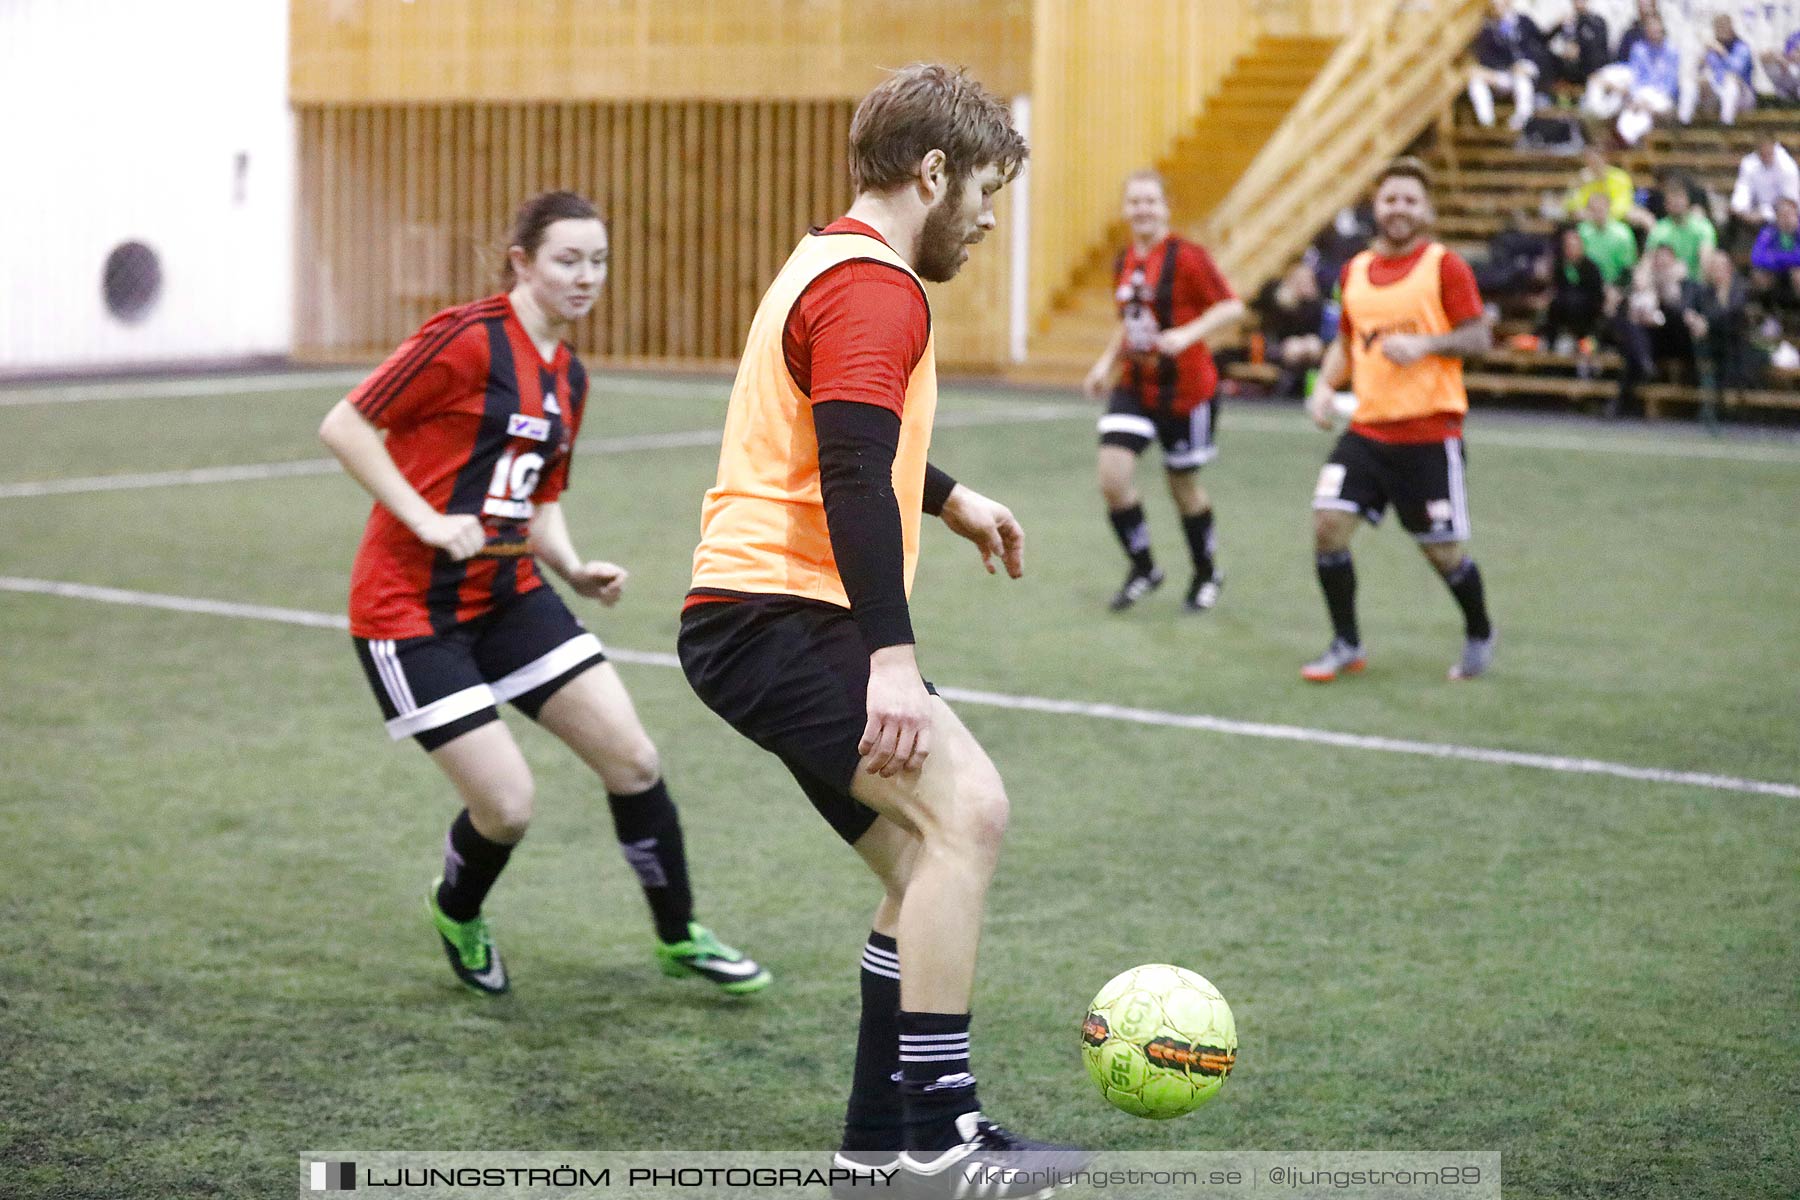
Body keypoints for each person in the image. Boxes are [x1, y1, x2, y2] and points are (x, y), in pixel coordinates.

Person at [676, 64, 1089, 1195]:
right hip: (782, 615)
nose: (993, 221)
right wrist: (892, 664)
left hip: (757, 616)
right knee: (971, 811)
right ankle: (940, 1138)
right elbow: (852, 467)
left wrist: (949, 496)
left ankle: (876, 1145)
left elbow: (852, 433)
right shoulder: (878, 289)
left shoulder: (831, 261)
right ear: (935, 171)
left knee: (920, 864)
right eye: (989, 192)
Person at [317, 191, 768, 999]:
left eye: (598, 261)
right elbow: (345, 425)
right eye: (568, 259)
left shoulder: (570, 374)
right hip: (409, 613)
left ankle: (678, 937)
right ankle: (457, 910)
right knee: (509, 806)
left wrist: (571, 565)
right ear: (520, 261)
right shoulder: (464, 338)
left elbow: (540, 494)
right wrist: (426, 520)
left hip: (509, 592)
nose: (586, 276)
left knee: (633, 760)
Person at [1302, 158, 1497, 683]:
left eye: (1410, 200)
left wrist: (1428, 345)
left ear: (1426, 209)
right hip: (1366, 430)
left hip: (1428, 434)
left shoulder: (1444, 266)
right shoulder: (1355, 271)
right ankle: (1346, 644)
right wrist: (1324, 386)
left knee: (1443, 553)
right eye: (1391, 199)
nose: (1399, 209)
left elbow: (1479, 337)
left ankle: (1479, 630)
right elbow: (1346, 343)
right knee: (1327, 527)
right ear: (1376, 205)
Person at [1083, 170, 1244, 612]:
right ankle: (1144, 567)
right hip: (1136, 385)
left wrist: (1188, 335)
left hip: (1187, 391)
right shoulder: (1124, 260)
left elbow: (1231, 306)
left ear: (1166, 207)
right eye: (1134, 202)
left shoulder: (1188, 257)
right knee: (1112, 478)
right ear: (1125, 209)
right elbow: (1131, 322)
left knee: (1182, 487)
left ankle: (1207, 571)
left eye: (1151, 201)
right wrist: (1105, 363)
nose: (1142, 209)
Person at [1613, 242, 1695, 416]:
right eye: (1658, 258)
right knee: (1633, 335)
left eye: (1666, 258)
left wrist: (1663, 294)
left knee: (1635, 349)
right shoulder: (1643, 284)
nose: (1662, 262)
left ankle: (1623, 399)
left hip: (1674, 340)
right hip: (1650, 340)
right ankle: (1643, 368)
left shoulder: (1684, 284)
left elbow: (1681, 315)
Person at [1684, 248, 1754, 427]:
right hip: (1714, 345)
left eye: (1720, 266)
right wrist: (1693, 318)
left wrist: (1707, 323)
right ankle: (1710, 410)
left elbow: (1734, 314)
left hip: (1738, 346)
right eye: (1713, 267)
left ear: (1729, 268)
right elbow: (1691, 307)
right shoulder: (1705, 291)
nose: (1717, 271)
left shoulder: (1740, 287)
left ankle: (1730, 410)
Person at [1253, 261, 1327, 399]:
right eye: (1301, 281)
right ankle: (1286, 392)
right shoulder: (1279, 299)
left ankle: (1309, 391)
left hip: (1305, 345)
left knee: (1312, 346)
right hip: (1278, 346)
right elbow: (1271, 328)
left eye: (1308, 280)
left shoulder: (1314, 304)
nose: (1305, 284)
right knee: (1294, 349)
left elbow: (1315, 329)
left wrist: (1310, 300)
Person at [1468, 0, 1544, 129]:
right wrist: (1499, 70)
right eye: (1494, 5)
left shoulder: (1524, 21)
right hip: (1506, 72)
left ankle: (1523, 118)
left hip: (1528, 68)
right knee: (1475, 81)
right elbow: (1486, 57)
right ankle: (1486, 123)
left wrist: (1526, 64)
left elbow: (1540, 44)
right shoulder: (1489, 29)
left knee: (1522, 80)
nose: (1497, 8)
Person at [1539, 225, 1607, 356]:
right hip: (1562, 313)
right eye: (1568, 245)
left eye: (1574, 245)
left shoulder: (1591, 268)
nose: (1571, 249)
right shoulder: (1559, 266)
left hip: (1586, 315)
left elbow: (1596, 297)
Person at [1682, 14, 1756, 127]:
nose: (1722, 30)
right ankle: (1683, 122)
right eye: (1719, 28)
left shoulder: (1742, 47)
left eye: (1725, 27)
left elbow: (1737, 71)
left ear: (1731, 28)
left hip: (1743, 95)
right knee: (1691, 82)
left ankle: (1726, 124)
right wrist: (1702, 57)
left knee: (1730, 81)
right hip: (1718, 93)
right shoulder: (1712, 48)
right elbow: (1697, 71)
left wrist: (1722, 53)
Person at [1616, 15, 1679, 146]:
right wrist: (1636, 97)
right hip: (1642, 92)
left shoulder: (1671, 50)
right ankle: (1629, 143)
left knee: (1645, 116)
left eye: (1657, 30)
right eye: (1651, 30)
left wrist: (1650, 102)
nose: (1654, 33)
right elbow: (1635, 76)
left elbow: (1671, 82)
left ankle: (1635, 144)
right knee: (1627, 120)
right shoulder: (1639, 49)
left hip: (1661, 94)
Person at [1644, 175, 1717, 277]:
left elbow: (1707, 261)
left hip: (1694, 285)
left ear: (1688, 200)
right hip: (1665, 282)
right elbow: (1648, 260)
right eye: (1672, 197)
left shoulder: (1703, 227)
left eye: (1680, 197)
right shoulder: (1658, 230)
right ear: (1666, 204)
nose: (1677, 202)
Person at [1577, 191, 1639, 287]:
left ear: (1609, 208)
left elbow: (1628, 267)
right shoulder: (1580, 232)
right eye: (1594, 210)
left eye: (1601, 209)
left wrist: (1617, 288)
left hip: (1616, 283)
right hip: (1586, 284)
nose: (1598, 213)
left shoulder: (1623, 233)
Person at [1545, 0, 1611, 90]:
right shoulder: (1568, 21)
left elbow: (1600, 48)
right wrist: (1557, 25)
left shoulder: (1597, 21)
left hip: (1590, 67)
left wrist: (1580, 48)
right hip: (1571, 66)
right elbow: (1544, 40)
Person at [1750, 196, 1800, 312]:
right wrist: (1787, 261)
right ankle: (1768, 312)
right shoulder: (1769, 232)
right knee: (1759, 276)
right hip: (1775, 273)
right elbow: (1756, 257)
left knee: (1798, 275)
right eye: (1782, 214)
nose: (1786, 218)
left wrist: (1776, 257)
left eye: (1789, 214)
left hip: (1793, 272)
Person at [1762, 29, 1800, 101]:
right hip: (1785, 94)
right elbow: (1764, 55)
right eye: (1797, 51)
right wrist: (1781, 60)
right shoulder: (1781, 65)